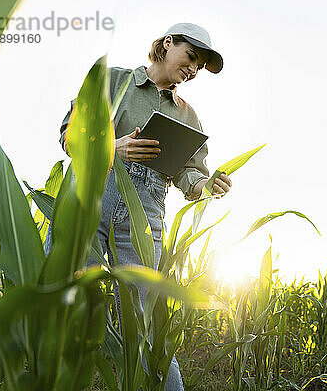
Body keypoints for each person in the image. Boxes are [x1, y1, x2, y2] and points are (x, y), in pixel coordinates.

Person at [49, 23, 232, 390]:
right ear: (167, 44)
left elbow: (189, 176)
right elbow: (69, 135)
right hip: (93, 191)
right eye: (191, 57)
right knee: (71, 305)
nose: (193, 70)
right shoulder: (112, 81)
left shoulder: (187, 115)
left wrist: (206, 185)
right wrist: (113, 148)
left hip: (146, 210)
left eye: (199, 67)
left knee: (146, 319)